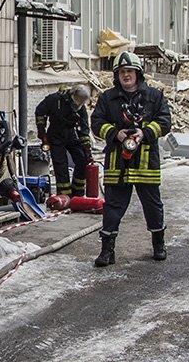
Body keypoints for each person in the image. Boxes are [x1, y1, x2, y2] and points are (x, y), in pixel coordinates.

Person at [90, 51, 172, 267]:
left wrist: (145, 133)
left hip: (146, 161)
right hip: (118, 161)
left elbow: (165, 121)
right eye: (122, 72)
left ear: (138, 73)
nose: (126, 75)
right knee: (113, 207)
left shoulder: (154, 97)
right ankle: (107, 251)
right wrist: (115, 133)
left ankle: (158, 245)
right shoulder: (107, 98)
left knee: (152, 205)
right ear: (117, 75)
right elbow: (96, 122)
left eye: (130, 71)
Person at [35, 84, 93, 196]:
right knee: (61, 166)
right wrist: (42, 132)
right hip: (56, 135)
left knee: (82, 160)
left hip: (72, 135)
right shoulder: (54, 100)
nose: (77, 106)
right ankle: (64, 195)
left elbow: (84, 125)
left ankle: (78, 193)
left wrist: (86, 147)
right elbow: (40, 112)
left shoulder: (80, 107)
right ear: (72, 96)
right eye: (76, 104)